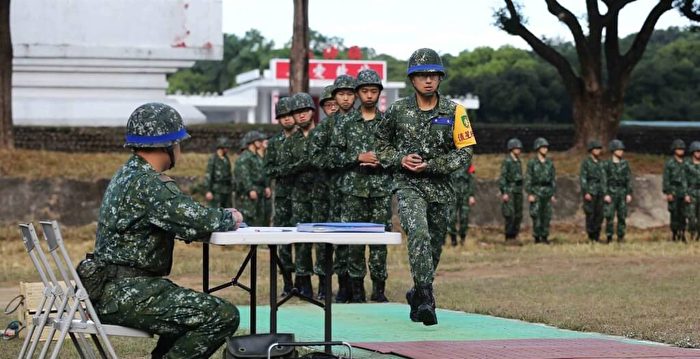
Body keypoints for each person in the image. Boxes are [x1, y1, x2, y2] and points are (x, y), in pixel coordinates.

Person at [89, 103, 243, 358]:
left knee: (192, 315)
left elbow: (181, 217)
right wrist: (230, 216)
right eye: (179, 143)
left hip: (116, 288)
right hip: (129, 292)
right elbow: (197, 220)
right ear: (168, 145)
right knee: (222, 316)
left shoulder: (129, 174)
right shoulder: (149, 183)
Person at [375, 48, 476, 325]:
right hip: (408, 186)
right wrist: (400, 159)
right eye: (421, 75)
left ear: (440, 78)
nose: (428, 80)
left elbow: (464, 153)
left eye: (433, 74)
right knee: (418, 233)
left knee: (433, 248)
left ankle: (416, 293)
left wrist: (431, 165)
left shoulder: (456, 112)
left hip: (441, 189)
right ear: (412, 80)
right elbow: (381, 146)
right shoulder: (397, 111)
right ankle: (427, 299)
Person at [330, 68, 391, 303]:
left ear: (379, 94)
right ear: (357, 93)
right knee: (354, 240)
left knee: (380, 242)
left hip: (380, 190)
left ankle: (379, 289)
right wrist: (358, 157)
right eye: (364, 91)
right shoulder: (345, 124)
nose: (368, 95)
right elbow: (334, 158)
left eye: (373, 91)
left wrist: (380, 159)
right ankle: (357, 290)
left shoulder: (387, 123)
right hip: (353, 190)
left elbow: (397, 154)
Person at [310, 75, 357, 303]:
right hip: (328, 193)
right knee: (330, 241)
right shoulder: (325, 128)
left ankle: (351, 287)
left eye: (335, 102)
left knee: (352, 241)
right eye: (328, 104)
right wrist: (348, 159)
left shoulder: (360, 122)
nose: (334, 106)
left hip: (356, 190)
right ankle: (329, 286)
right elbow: (316, 157)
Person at [285, 92, 319, 297]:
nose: (302, 116)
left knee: (324, 243)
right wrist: (304, 164)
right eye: (297, 113)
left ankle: (325, 284)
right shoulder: (291, 141)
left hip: (322, 195)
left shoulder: (322, 134)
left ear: (312, 112)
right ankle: (304, 283)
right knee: (302, 242)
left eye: (305, 110)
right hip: (299, 196)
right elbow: (284, 168)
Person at [264, 97, 297, 295]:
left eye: (289, 115)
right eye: (282, 116)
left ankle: (304, 282)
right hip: (283, 196)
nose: (286, 120)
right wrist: (285, 170)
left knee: (303, 242)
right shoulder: (275, 143)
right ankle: (287, 282)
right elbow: (267, 169)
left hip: (304, 196)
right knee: (283, 240)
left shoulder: (304, 137)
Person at [233, 131, 269, 227]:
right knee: (250, 217)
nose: (260, 142)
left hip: (259, 191)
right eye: (258, 140)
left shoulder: (256, 157)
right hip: (249, 193)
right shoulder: (245, 156)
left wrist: (266, 186)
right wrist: (250, 189)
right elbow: (244, 175)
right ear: (251, 142)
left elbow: (262, 173)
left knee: (259, 218)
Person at [525, 137, 556, 244]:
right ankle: (537, 237)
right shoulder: (532, 163)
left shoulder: (549, 163)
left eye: (546, 147)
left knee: (546, 215)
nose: (545, 149)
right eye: (543, 147)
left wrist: (553, 193)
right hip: (536, 190)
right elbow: (529, 178)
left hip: (547, 190)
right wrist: (530, 193)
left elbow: (552, 179)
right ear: (538, 148)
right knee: (536, 214)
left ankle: (545, 236)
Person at [603, 139, 633, 243]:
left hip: (622, 192)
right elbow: (604, 179)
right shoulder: (607, 164)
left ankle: (621, 236)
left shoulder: (625, 164)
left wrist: (629, 193)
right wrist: (606, 193)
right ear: (613, 150)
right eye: (619, 149)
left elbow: (628, 179)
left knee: (622, 215)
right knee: (609, 216)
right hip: (611, 191)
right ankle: (609, 237)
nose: (621, 152)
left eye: (622, 150)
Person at [663, 139, 690, 241]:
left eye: (682, 149)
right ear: (674, 150)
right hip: (673, 190)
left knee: (684, 214)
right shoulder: (669, 163)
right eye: (679, 149)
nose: (681, 151)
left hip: (684, 191)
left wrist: (688, 193)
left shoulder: (686, 163)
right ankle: (674, 234)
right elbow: (666, 179)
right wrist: (668, 192)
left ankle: (682, 233)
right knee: (674, 213)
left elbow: (689, 178)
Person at [579, 140, 606, 242]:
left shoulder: (601, 163)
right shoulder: (586, 163)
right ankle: (591, 235)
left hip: (600, 191)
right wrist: (586, 191)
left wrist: (605, 191)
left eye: (599, 149)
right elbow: (583, 178)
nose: (598, 151)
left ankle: (597, 235)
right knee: (590, 214)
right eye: (596, 149)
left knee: (600, 214)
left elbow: (604, 178)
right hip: (591, 190)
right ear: (591, 150)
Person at [499, 138, 524, 242]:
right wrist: (504, 192)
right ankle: (508, 235)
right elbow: (503, 177)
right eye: (516, 148)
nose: (518, 150)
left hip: (518, 189)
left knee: (518, 214)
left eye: (519, 148)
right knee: (510, 214)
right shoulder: (507, 161)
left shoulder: (518, 161)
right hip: (509, 189)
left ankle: (515, 234)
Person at [447, 163, 475, 246]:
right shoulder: (450, 161)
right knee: (451, 218)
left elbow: (472, 180)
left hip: (465, 195)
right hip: (452, 195)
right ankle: (453, 238)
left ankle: (463, 238)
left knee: (464, 218)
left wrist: (471, 195)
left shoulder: (468, 163)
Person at [204, 136, 234, 208]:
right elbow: (208, 175)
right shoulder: (213, 159)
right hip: (216, 191)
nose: (227, 149)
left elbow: (229, 174)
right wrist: (208, 191)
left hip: (226, 191)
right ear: (221, 147)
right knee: (216, 212)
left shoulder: (226, 159)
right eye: (226, 147)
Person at [686, 141, 700, 241]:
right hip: (692, 191)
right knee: (691, 216)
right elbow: (684, 179)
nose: (699, 153)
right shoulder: (687, 164)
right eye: (697, 151)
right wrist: (686, 193)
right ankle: (692, 233)